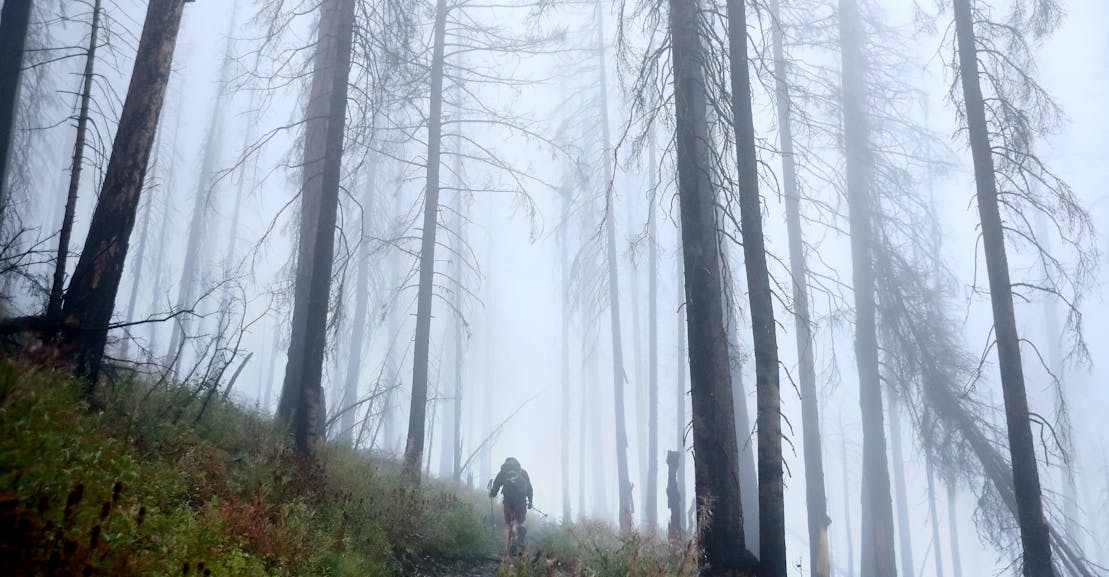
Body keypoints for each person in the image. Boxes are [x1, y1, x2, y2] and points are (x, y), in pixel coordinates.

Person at [488, 457, 533, 556]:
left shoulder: (503, 472)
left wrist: (493, 493)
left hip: (508, 502)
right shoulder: (523, 473)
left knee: (509, 522)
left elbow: (496, 485)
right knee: (518, 521)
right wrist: (530, 502)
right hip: (521, 502)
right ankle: (520, 532)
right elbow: (529, 488)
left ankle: (512, 543)